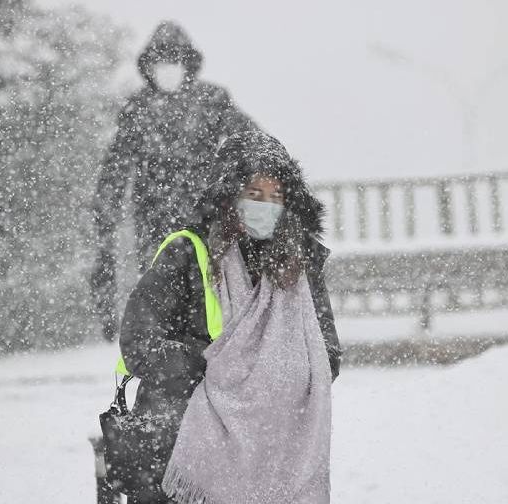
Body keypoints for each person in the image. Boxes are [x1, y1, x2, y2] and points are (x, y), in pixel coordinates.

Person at [118, 131, 341, 504]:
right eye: (254, 195)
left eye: (275, 196)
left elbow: (327, 351)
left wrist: (273, 379)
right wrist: (208, 375)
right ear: (229, 197)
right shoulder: (188, 253)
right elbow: (139, 338)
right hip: (185, 436)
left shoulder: (300, 265)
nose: (265, 206)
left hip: (276, 443)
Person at [91, 20, 257, 341]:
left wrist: (259, 178)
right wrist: (106, 209)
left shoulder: (211, 101)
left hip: (206, 218)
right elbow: (115, 168)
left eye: (174, 62)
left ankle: (209, 357)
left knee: (208, 296)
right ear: (149, 67)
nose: (168, 69)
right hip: (154, 224)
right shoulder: (138, 110)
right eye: (160, 63)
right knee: (163, 299)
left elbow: (248, 139)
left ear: (186, 64)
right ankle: (172, 364)